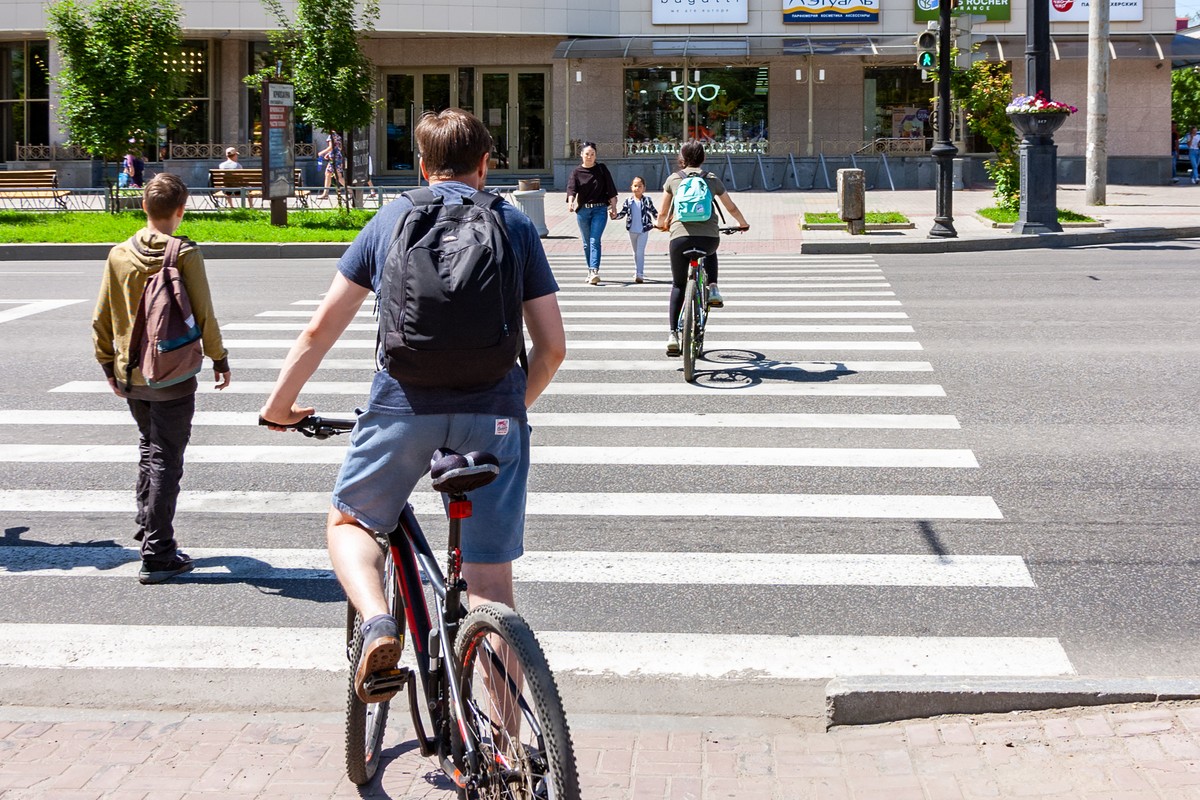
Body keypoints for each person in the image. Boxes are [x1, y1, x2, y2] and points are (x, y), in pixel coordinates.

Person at [259, 108, 565, 703]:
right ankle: (507, 758)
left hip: (403, 408)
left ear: (423, 166)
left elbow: (321, 329)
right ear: (485, 165)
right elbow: (552, 348)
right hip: (495, 414)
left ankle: (377, 620)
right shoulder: (513, 224)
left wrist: (279, 405)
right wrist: (510, 409)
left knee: (350, 519)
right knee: (492, 589)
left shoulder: (390, 219)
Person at [91, 173, 232, 585]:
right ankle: (158, 551)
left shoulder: (119, 255)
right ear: (181, 210)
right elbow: (203, 314)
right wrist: (219, 359)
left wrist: (107, 365)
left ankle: (146, 522)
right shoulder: (185, 254)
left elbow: (101, 317)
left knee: (150, 446)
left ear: (143, 208)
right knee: (166, 458)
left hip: (130, 370)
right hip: (173, 373)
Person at [654, 140, 749, 357]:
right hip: (707, 239)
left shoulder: (673, 179)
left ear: (682, 159)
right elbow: (731, 206)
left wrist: (661, 225)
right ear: (703, 159)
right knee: (711, 251)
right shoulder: (711, 179)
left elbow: (662, 214)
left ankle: (673, 335)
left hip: (679, 239)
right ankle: (713, 288)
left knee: (678, 285)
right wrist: (742, 223)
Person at [565, 141, 617, 285]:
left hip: (600, 209)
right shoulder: (576, 172)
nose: (589, 157)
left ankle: (594, 270)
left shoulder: (601, 169)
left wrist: (614, 207)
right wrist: (571, 202)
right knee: (587, 243)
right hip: (583, 211)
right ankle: (590, 270)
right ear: (581, 155)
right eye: (587, 154)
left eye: (592, 154)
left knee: (594, 241)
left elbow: (611, 188)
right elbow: (572, 189)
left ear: (596, 155)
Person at [613, 176, 657, 284]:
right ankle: (637, 269)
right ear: (631, 187)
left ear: (644, 188)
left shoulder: (647, 200)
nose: (637, 188)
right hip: (632, 230)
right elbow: (623, 214)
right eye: (635, 186)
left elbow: (654, 212)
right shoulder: (628, 201)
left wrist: (660, 221)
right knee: (635, 252)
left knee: (640, 251)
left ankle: (640, 274)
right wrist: (614, 216)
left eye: (640, 186)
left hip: (644, 230)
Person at [317, 131, 346, 199]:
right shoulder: (338, 136)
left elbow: (331, 147)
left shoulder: (331, 136)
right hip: (337, 156)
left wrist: (322, 153)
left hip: (334, 158)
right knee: (330, 174)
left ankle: (350, 191)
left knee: (335, 176)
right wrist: (329, 153)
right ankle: (350, 191)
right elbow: (340, 148)